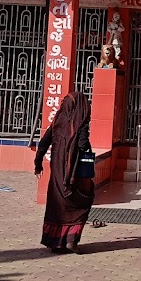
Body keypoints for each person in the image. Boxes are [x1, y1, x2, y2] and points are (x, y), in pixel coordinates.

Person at [34, 91, 94, 253]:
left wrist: (38, 164)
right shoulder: (80, 122)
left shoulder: (57, 122)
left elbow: (43, 142)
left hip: (57, 177)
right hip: (73, 175)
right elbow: (82, 145)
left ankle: (54, 241)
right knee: (81, 202)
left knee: (57, 206)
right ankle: (71, 240)